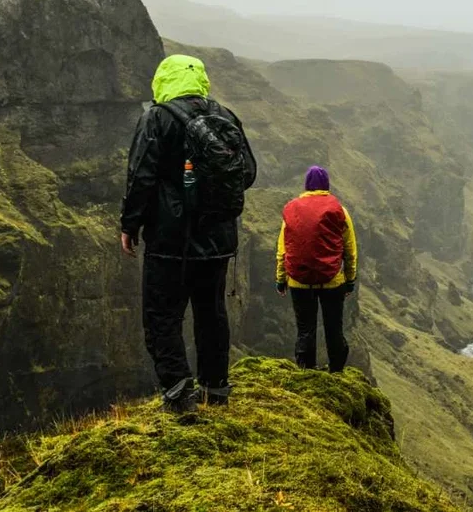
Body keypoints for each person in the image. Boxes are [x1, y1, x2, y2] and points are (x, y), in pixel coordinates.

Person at [121, 54, 256, 412]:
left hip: (170, 241)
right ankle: (216, 392)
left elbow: (141, 177)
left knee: (162, 316)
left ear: (163, 80)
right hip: (217, 241)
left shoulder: (156, 118)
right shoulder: (224, 117)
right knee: (211, 314)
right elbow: (248, 174)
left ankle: (179, 397)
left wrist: (129, 224)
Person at [276, 166, 358, 372]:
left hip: (299, 281)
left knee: (305, 329)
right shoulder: (339, 210)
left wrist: (281, 278)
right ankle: (337, 370)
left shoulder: (292, 209)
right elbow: (350, 248)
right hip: (332, 281)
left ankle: (306, 369)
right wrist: (350, 279)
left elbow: (283, 248)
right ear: (327, 185)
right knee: (334, 329)